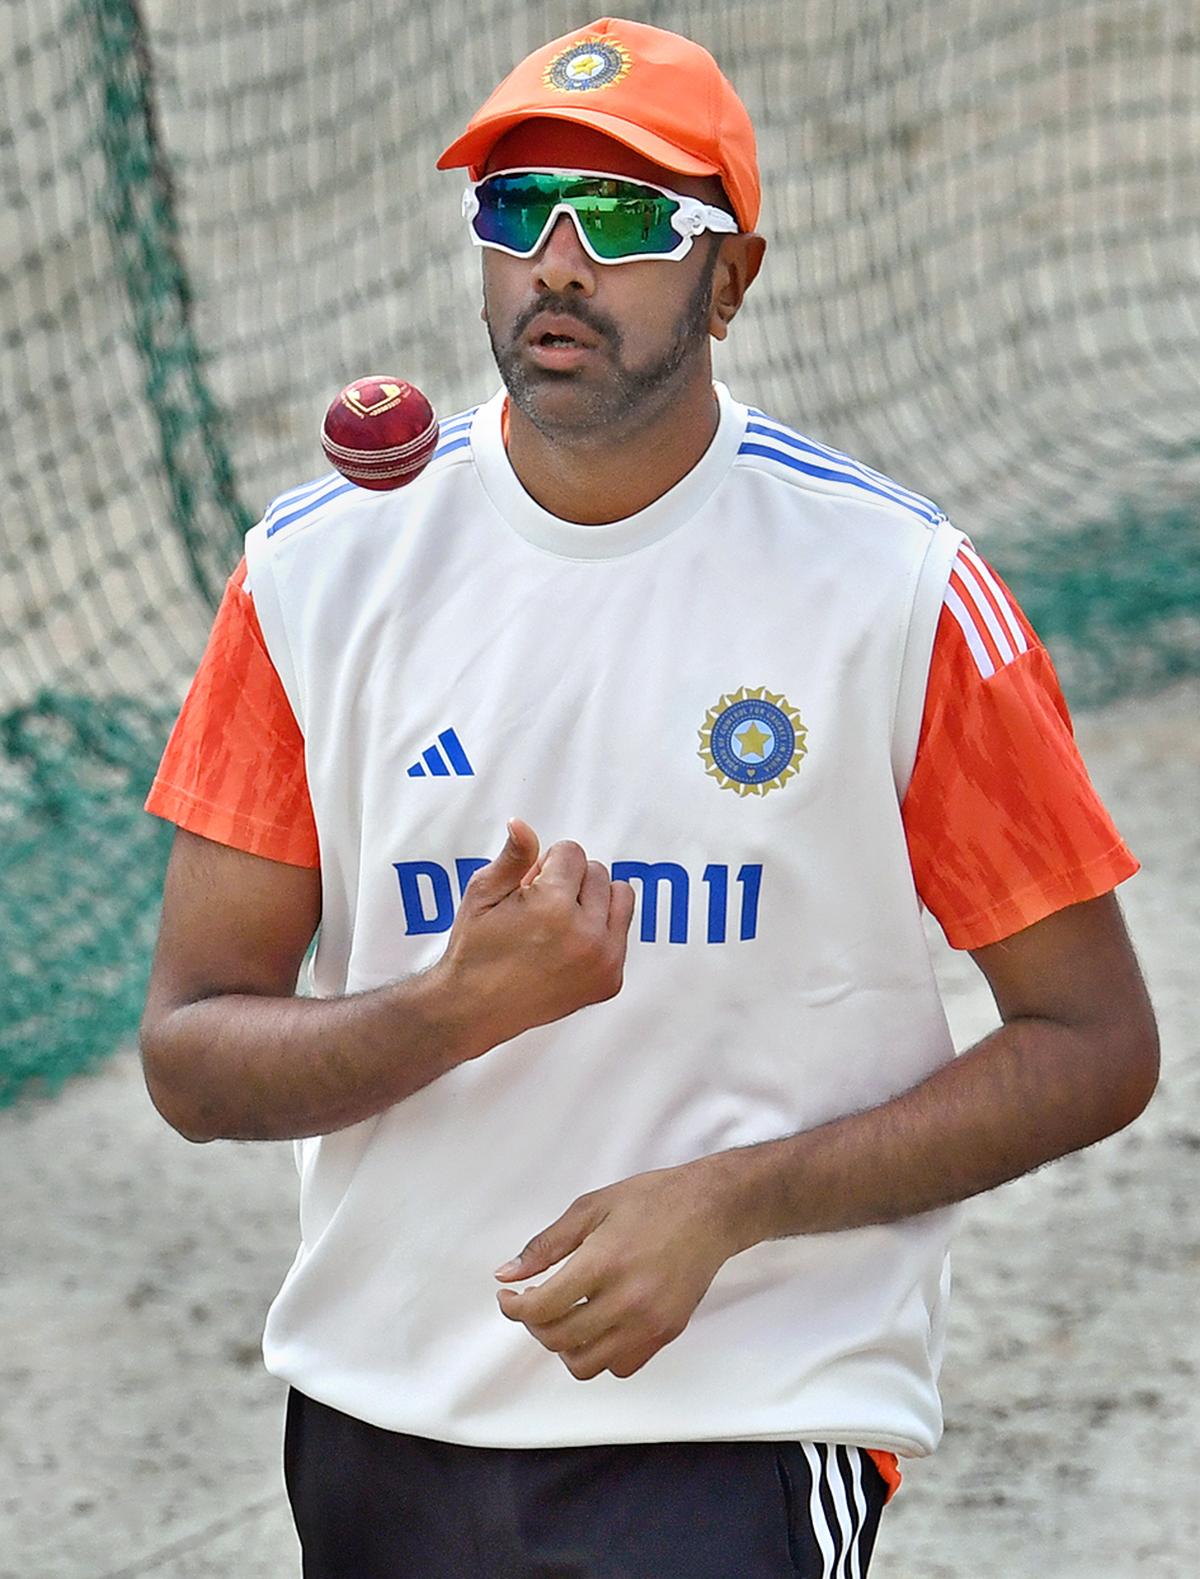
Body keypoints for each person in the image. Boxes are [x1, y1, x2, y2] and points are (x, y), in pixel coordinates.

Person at [140, 17, 1159, 1578]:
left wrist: (733, 1204)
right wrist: (453, 1008)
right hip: (377, 1418)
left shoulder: (896, 590)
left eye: (621, 222)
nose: (556, 262)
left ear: (731, 279)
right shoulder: (313, 574)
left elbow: (1095, 1045)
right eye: (515, 212)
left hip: (743, 1422)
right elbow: (194, 1058)